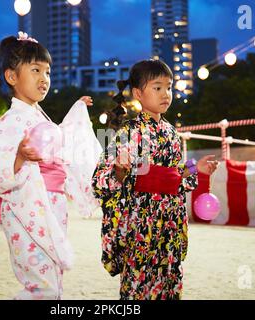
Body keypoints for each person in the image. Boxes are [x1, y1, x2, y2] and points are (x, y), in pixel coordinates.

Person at [0, 32, 101, 300]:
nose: (44, 78)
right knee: (41, 286)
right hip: (27, 208)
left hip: (50, 205)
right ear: (12, 77)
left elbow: (59, 139)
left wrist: (77, 111)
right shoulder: (12, 120)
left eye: (47, 71)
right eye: (35, 70)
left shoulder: (36, 115)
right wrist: (19, 158)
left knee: (51, 278)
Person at [92, 59, 218, 300]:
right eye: (157, 87)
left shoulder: (171, 132)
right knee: (139, 283)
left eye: (169, 87)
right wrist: (119, 172)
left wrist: (196, 168)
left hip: (170, 219)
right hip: (142, 221)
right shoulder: (128, 132)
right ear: (138, 93)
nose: (166, 94)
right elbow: (100, 180)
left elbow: (176, 174)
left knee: (170, 278)